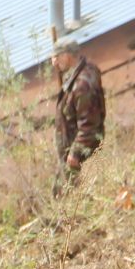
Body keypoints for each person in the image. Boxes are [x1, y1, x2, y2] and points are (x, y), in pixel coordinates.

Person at [53, 38, 105, 181]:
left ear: (66, 55)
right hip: (74, 151)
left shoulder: (82, 85)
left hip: (80, 155)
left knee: (70, 195)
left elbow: (89, 124)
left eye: (56, 57)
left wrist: (75, 153)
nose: (54, 62)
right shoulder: (84, 71)